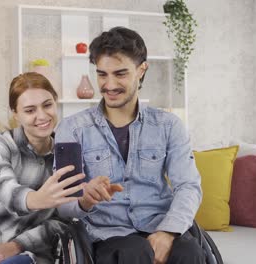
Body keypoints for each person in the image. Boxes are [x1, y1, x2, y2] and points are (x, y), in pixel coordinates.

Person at [55, 27, 205, 264]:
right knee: (133, 252)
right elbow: (63, 204)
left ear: (142, 69)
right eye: (102, 74)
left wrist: (168, 232)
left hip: (160, 225)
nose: (109, 84)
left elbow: (188, 186)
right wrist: (84, 199)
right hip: (107, 234)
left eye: (120, 74)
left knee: (191, 253)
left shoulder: (169, 126)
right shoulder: (71, 129)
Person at [0, 72, 85, 264]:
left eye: (47, 105)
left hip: (29, 251)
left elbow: (62, 223)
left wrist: (16, 245)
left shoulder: (66, 156)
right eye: (30, 110)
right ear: (16, 114)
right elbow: (5, 188)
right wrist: (37, 199)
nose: (42, 116)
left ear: (55, 102)